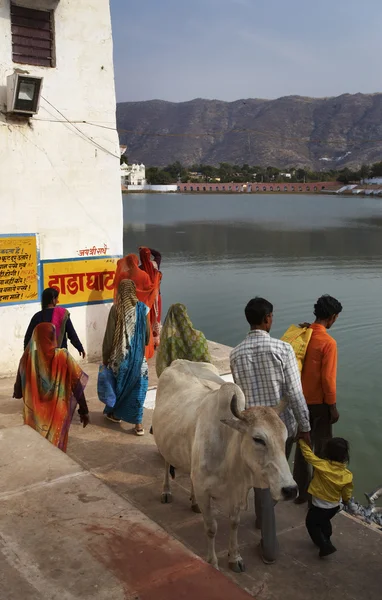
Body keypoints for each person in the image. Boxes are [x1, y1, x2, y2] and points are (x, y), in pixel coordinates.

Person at [230, 297, 311, 565]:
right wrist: (305, 426)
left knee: (261, 477)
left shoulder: (236, 353)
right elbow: (295, 394)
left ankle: (261, 520)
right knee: (271, 480)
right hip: (278, 429)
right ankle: (270, 548)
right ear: (268, 319)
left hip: (254, 432)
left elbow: (240, 396)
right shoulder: (283, 349)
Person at [293, 294, 343, 504]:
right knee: (322, 450)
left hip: (299, 402)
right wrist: (332, 407)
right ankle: (319, 494)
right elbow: (328, 379)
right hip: (320, 406)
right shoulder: (328, 342)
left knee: (302, 447)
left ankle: (300, 493)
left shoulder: (302, 334)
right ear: (331, 317)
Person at [13, 322, 89, 452]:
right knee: (56, 453)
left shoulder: (27, 359)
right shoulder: (63, 356)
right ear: (54, 336)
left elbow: (18, 392)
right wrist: (84, 410)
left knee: (37, 454)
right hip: (57, 416)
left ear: (35, 337)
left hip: (34, 418)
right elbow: (77, 384)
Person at [101, 279, 150, 435]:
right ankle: (138, 425)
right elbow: (147, 338)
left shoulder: (116, 309)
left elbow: (109, 337)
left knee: (120, 387)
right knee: (138, 389)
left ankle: (117, 414)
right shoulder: (143, 309)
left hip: (120, 359)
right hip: (138, 360)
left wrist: (105, 356)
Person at [299, 437, 353, 558]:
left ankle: (324, 546)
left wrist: (302, 441)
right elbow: (347, 491)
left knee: (311, 524)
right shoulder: (347, 475)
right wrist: (346, 500)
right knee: (324, 521)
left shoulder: (321, 465)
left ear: (327, 452)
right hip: (334, 507)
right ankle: (327, 537)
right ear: (345, 456)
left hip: (319, 506)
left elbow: (308, 455)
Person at [113, 254, 160, 359]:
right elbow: (149, 290)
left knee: (127, 332)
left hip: (126, 308)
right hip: (140, 307)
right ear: (136, 262)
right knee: (142, 331)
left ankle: (126, 355)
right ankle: (142, 354)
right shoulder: (144, 275)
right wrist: (156, 279)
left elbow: (117, 289)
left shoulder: (122, 276)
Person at [24, 288, 85, 358]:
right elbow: (72, 333)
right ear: (53, 300)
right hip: (60, 356)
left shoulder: (37, 316)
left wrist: (26, 355)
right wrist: (80, 348)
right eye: (56, 298)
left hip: (43, 357)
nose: (57, 301)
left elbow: (28, 337)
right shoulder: (62, 314)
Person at [156, 303, 211, 377]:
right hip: (199, 377)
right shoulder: (199, 337)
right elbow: (207, 362)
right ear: (185, 315)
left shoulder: (169, 342)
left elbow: (162, 365)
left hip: (176, 379)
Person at [139, 246, 162, 351]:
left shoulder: (140, 269)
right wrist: (148, 248)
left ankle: (148, 342)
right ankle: (156, 342)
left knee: (148, 319)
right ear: (149, 256)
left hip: (146, 299)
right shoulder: (155, 265)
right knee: (156, 318)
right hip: (157, 298)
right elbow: (158, 255)